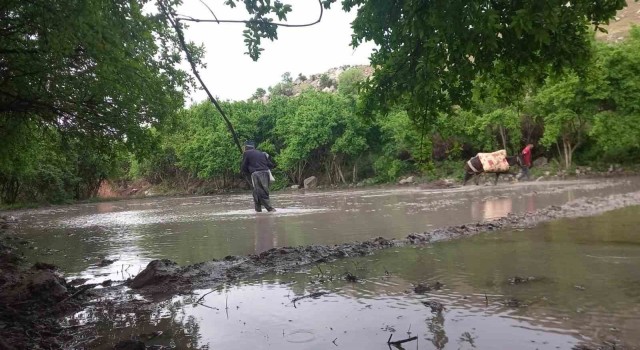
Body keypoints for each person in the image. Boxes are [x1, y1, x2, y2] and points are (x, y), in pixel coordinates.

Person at [241, 140, 276, 212]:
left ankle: (270, 208)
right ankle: (258, 210)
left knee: (260, 191)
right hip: (266, 173)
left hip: (257, 174)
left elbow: (243, 167)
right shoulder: (261, 153)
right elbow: (270, 165)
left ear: (246, 147)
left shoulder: (246, 153)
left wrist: (246, 172)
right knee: (257, 192)